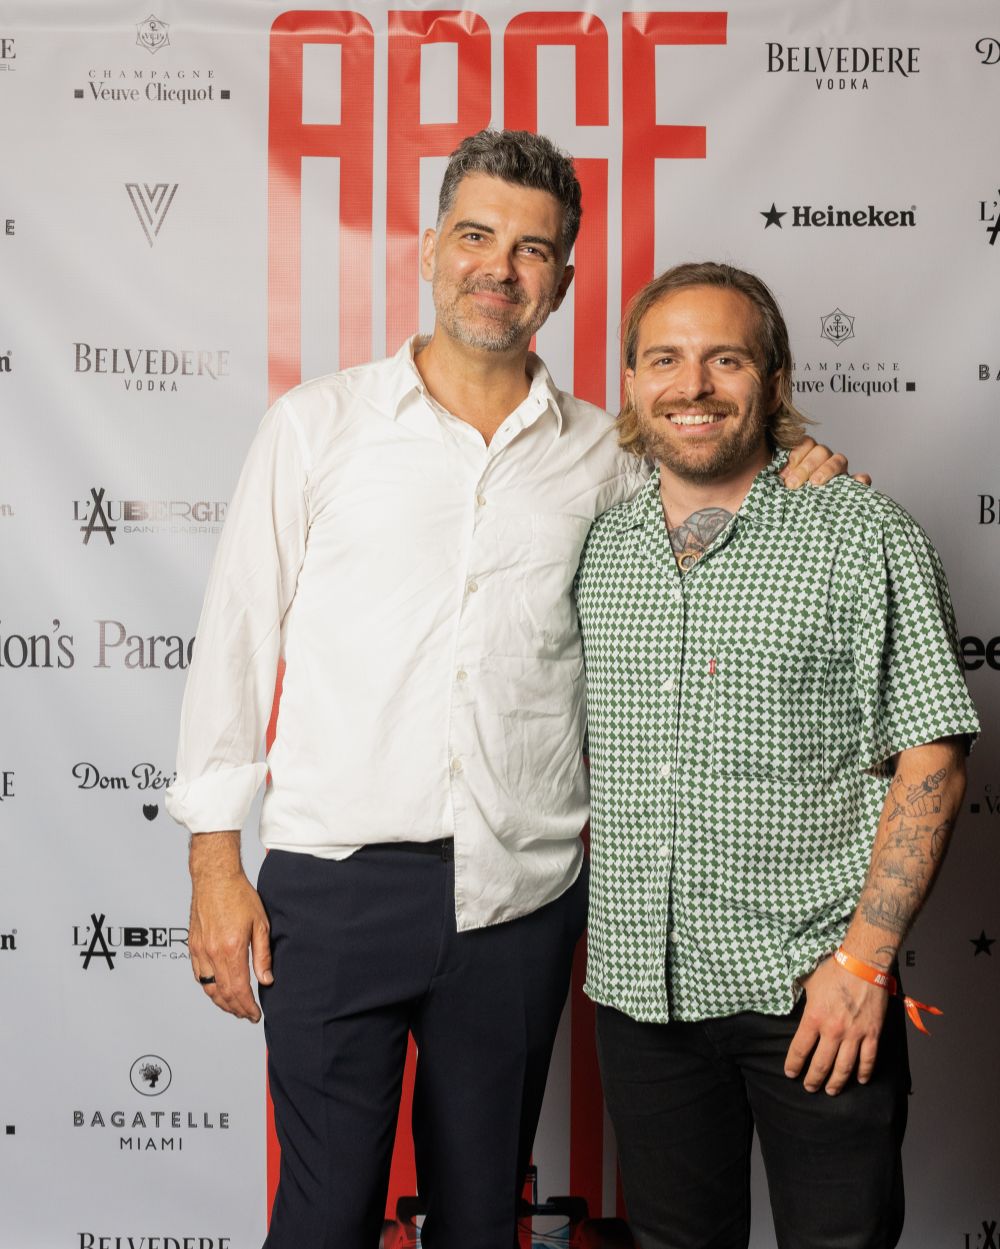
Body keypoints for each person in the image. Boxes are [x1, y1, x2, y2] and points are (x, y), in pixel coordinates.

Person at [165, 136, 851, 1248]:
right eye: (477, 237)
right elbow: (235, 640)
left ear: (564, 280)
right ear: (429, 249)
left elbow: (723, 490)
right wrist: (212, 861)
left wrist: (803, 468)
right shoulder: (316, 427)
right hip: (334, 893)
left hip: (520, 902)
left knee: (483, 1216)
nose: (501, 266)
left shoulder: (608, 456)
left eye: (534, 249)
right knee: (324, 1211)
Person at [575, 261, 980, 1249]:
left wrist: (865, 961)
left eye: (725, 358)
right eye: (664, 359)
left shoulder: (859, 531)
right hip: (642, 991)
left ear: (773, 378)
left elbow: (932, 759)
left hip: (815, 990)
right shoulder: (596, 546)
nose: (693, 385)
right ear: (630, 382)